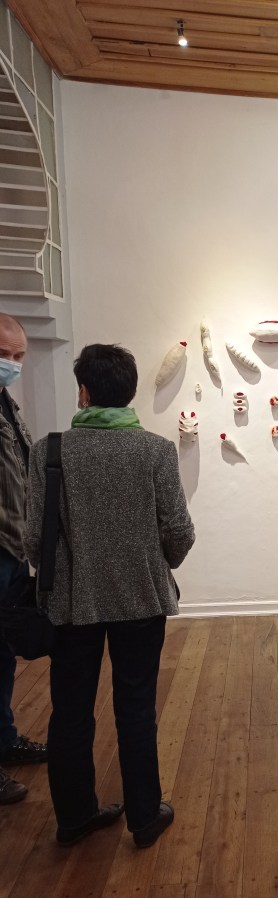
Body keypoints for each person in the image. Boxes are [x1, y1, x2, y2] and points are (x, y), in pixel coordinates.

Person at [24, 344, 195, 848]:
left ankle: (75, 817)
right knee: (136, 706)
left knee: (70, 711)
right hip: (141, 598)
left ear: (83, 392)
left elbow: (34, 540)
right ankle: (144, 817)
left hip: (72, 603)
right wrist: (155, 564)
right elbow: (179, 531)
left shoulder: (49, 451)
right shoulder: (155, 451)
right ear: (131, 392)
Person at [0, 313, 47, 805]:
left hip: (12, 550)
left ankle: (5, 740)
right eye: (4, 354)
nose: (12, 364)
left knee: (4, 652)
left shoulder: (8, 407)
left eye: (18, 356)